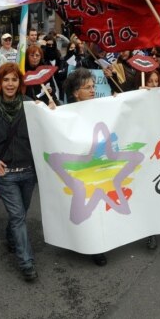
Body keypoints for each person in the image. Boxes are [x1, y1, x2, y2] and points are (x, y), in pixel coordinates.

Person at [0, 63, 39, 282]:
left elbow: (51, 126)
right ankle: (27, 263)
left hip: (29, 172)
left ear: (19, 83)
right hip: (6, 175)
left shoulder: (31, 105)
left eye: (14, 79)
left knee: (21, 213)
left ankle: (11, 238)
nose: (10, 84)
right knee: (17, 216)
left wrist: (49, 108)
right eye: (6, 80)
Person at [63, 68, 108, 265]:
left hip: (100, 168)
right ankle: (89, 245)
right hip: (79, 171)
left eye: (93, 86)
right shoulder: (66, 114)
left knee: (99, 208)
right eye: (87, 87)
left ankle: (98, 245)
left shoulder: (104, 106)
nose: (92, 90)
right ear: (75, 93)